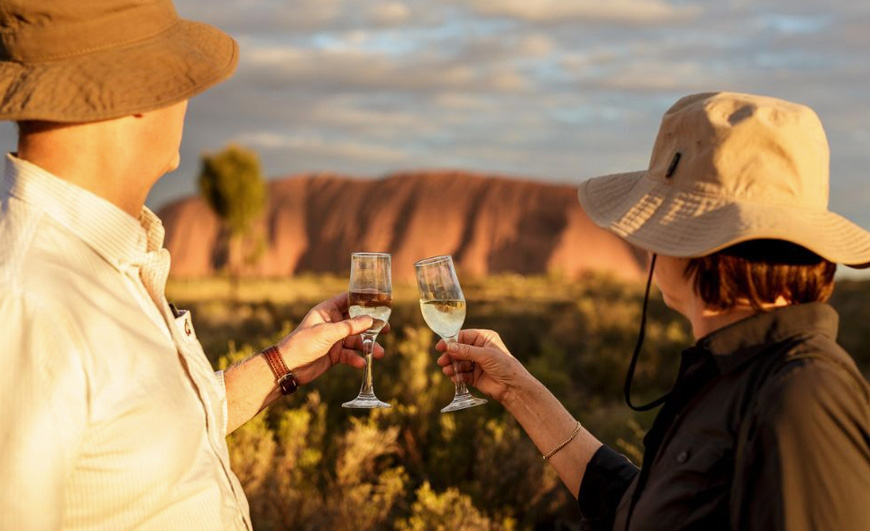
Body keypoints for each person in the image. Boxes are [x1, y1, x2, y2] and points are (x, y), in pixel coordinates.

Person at [0, 1, 383, 529]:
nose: (186, 99)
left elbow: (147, 437)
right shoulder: (26, 299)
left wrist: (282, 364)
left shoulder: (102, 256)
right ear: (136, 91)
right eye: (178, 75)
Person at [438, 92, 870, 530]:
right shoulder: (734, 372)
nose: (645, 243)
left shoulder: (802, 394)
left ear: (700, 243)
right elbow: (640, 511)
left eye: (658, 220)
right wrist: (517, 389)